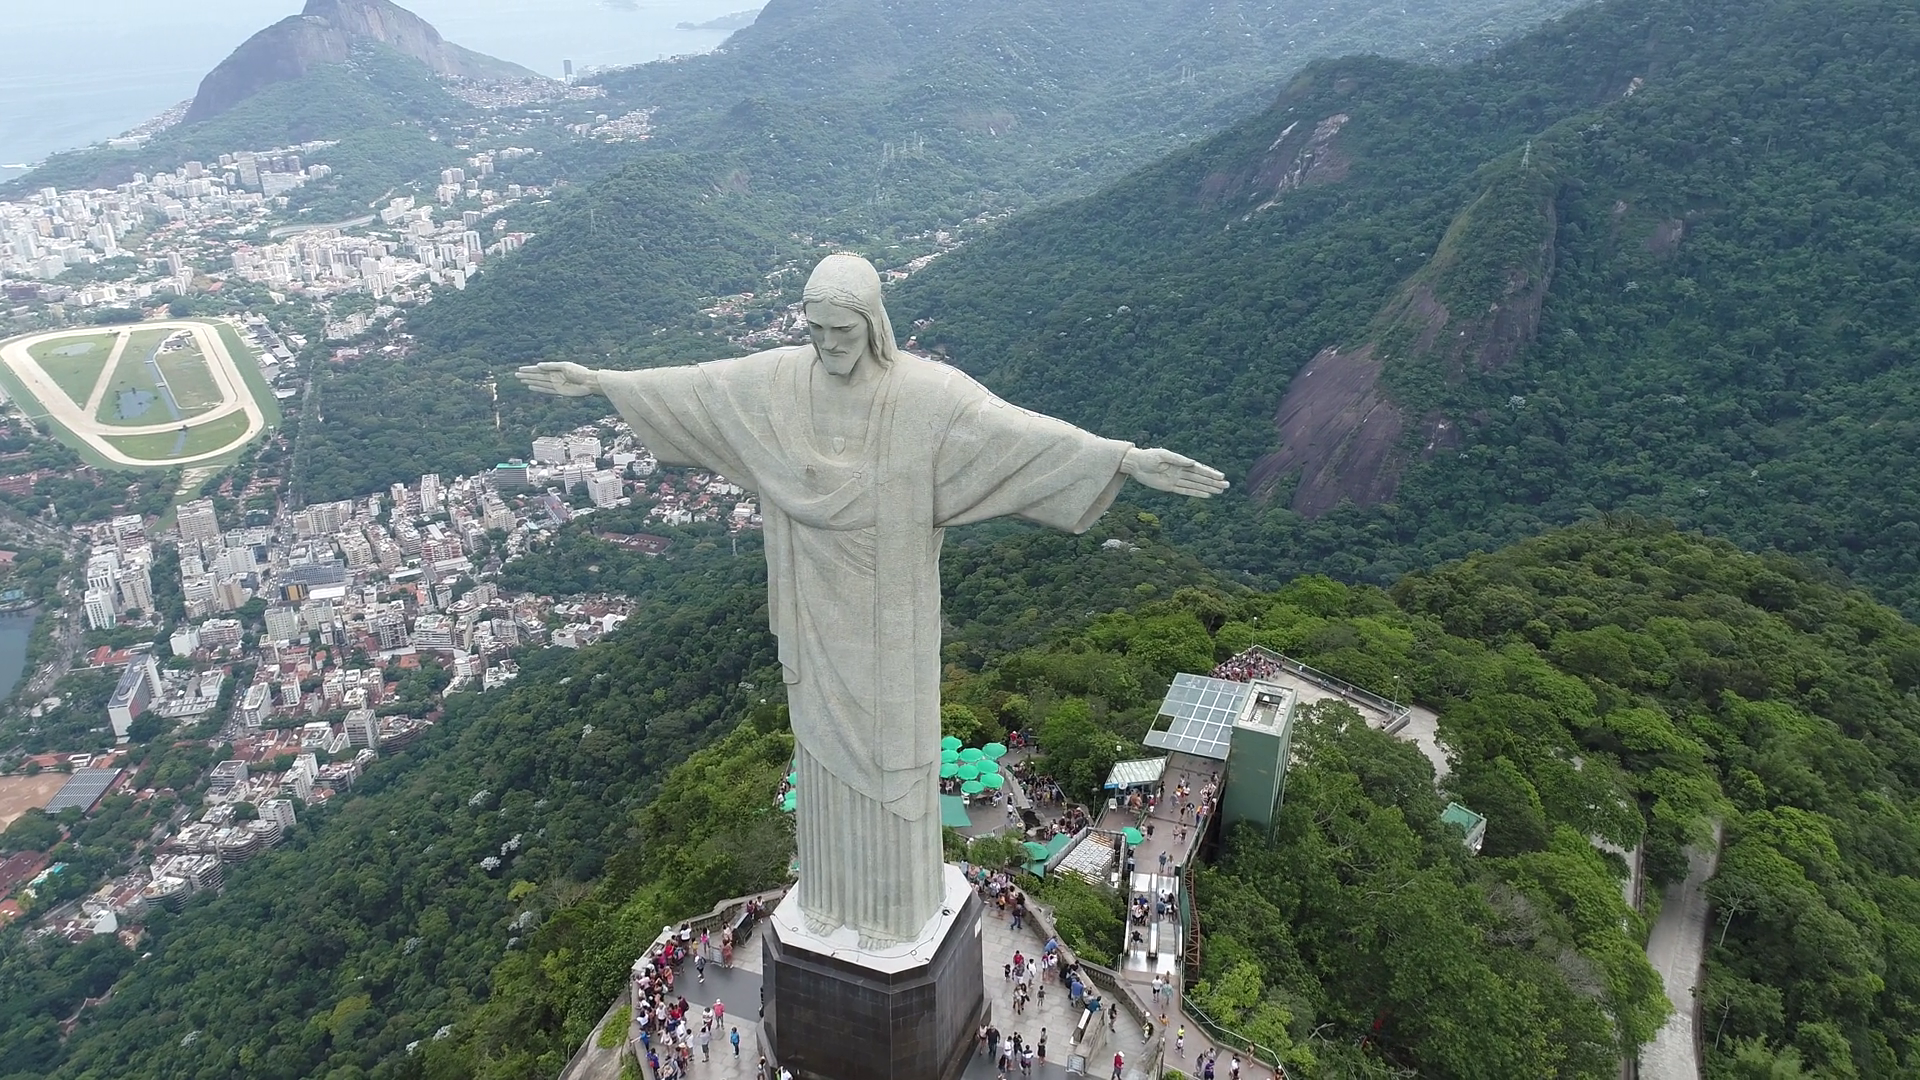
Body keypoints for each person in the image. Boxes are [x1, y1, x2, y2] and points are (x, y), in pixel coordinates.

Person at [516, 253, 1226, 946]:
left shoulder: (924, 395)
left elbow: (1015, 434)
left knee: (895, 761)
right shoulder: (780, 382)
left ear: (874, 323)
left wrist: (1123, 459)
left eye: (843, 330)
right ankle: (827, 902)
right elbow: (700, 389)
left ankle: (894, 912)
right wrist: (600, 382)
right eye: (816, 329)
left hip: (891, 623)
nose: (829, 344)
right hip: (813, 608)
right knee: (821, 757)